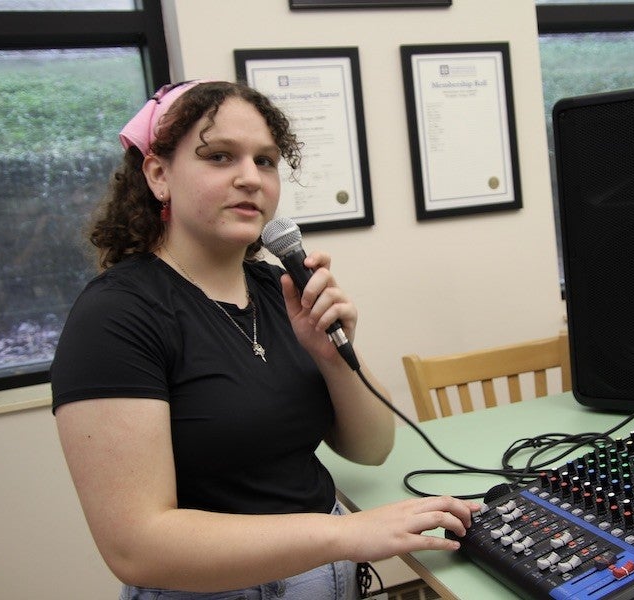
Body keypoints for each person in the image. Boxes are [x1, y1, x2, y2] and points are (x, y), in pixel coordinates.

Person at [51, 80, 478, 600]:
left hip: (329, 578)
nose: (250, 178)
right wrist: (344, 534)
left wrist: (332, 358)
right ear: (159, 175)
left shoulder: (279, 292)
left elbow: (373, 447)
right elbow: (136, 546)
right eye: (220, 157)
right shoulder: (116, 315)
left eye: (267, 161)